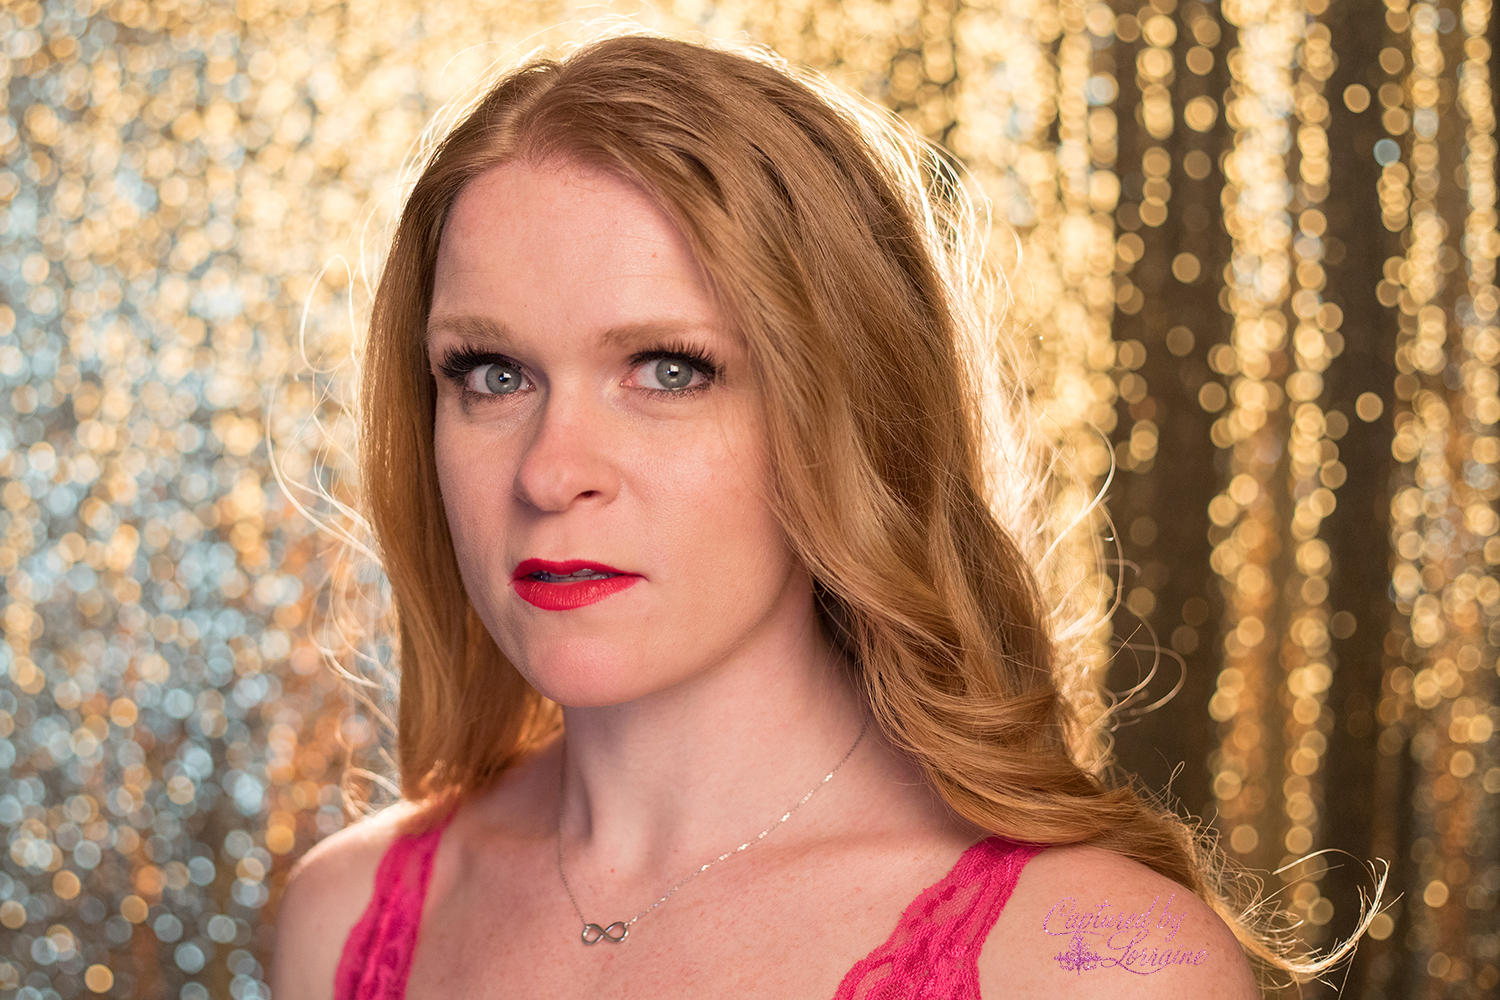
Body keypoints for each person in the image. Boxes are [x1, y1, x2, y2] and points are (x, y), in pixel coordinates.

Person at [270, 31, 1360, 999]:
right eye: (493, 374)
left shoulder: (1101, 966)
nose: (552, 474)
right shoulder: (343, 919)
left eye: (670, 369)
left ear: (846, 414)